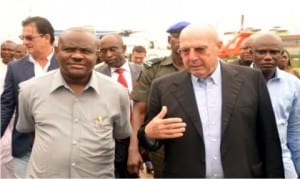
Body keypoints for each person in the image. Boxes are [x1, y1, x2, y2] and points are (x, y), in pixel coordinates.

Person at [137, 23, 284, 178]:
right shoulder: (162, 87)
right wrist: (149, 134)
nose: (192, 57)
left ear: (218, 47)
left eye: (200, 49)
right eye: (185, 51)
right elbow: (148, 138)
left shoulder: (251, 80)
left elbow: (270, 141)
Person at [16, 27, 131, 178]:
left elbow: (120, 134)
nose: (77, 56)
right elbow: (32, 130)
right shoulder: (29, 90)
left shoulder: (118, 93)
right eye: (69, 49)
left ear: (97, 55)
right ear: (57, 51)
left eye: (85, 51)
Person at [1, 16, 58, 178]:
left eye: (29, 38)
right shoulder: (15, 68)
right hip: (23, 147)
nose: (24, 42)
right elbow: (6, 106)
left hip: (59, 147)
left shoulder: (64, 65)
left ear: (46, 37)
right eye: (23, 38)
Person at [130, 21, 189, 177]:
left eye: (187, 36)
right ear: (169, 41)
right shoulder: (154, 69)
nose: (182, 41)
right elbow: (139, 111)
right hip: (163, 148)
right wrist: (134, 149)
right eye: (177, 37)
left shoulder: (204, 68)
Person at [251, 33, 300, 177]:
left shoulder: (293, 84)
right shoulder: (236, 82)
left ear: (281, 54)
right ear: (252, 53)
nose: (268, 57)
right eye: (262, 52)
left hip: (282, 161)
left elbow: (294, 128)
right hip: (247, 162)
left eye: (274, 52)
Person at [95, 33, 143, 177]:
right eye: (103, 51)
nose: (108, 55)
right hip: (110, 138)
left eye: (113, 49)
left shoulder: (143, 71)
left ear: (124, 48)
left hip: (138, 134)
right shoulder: (95, 74)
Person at [0, 40, 17, 178]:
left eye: (10, 50)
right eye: (3, 49)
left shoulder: (18, 68)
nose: (6, 52)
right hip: (2, 113)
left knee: (8, 149)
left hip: (14, 114)